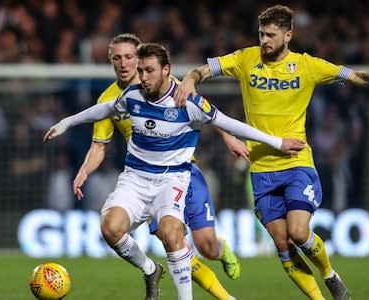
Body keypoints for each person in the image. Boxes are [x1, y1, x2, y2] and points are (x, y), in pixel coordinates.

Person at [174, 5, 369, 300]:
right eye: (261, 34)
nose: (264, 40)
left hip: (296, 162)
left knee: (299, 233)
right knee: (283, 246)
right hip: (261, 170)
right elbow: (204, 70)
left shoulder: (308, 66)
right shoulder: (246, 59)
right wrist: (191, 78)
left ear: (288, 35)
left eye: (271, 35)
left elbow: (353, 76)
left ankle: (330, 275)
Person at [44, 42, 305, 300]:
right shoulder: (132, 95)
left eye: (149, 71)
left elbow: (231, 124)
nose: (143, 77)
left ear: (166, 70)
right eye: (141, 71)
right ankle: (150, 270)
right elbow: (105, 109)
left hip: (172, 179)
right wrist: (67, 122)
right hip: (135, 178)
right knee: (110, 229)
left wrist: (278, 142)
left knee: (175, 235)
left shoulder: (187, 101)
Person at [72, 33, 243, 300]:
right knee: (173, 241)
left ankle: (220, 250)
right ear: (110, 61)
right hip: (147, 178)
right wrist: (84, 170)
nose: (124, 63)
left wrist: (229, 137)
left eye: (129, 57)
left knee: (206, 246)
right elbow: (99, 146)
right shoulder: (111, 98)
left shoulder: (167, 84)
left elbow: (205, 112)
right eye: (117, 58)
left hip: (185, 171)